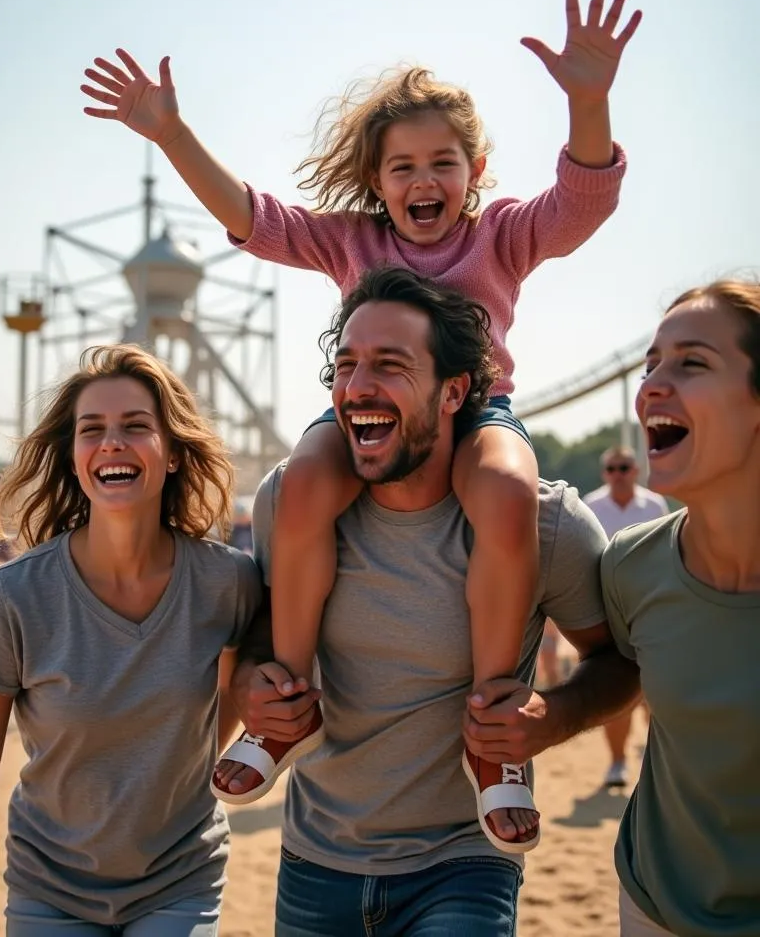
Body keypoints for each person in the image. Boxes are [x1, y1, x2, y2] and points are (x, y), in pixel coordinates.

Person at [82, 0, 641, 841]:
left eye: (442, 164)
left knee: (504, 494)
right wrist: (171, 131)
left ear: (475, 173)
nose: (424, 181)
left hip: (478, 413)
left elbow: (582, 205)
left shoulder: (500, 235)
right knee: (299, 486)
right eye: (403, 167)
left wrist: (590, 103)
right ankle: (285, 706)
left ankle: (496, 737)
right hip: (368, 417)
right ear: (377, 183)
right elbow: (252, 217)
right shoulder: (355, 241)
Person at [211, 268, 641, 935]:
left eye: (389, 365)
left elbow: (618, 663)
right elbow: (259, 641)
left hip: (466, 861)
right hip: (314, 857)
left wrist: (549, 719)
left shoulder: (545, 522)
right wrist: (253, 687)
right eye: (346, 365)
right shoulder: (290, 500)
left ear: (453, 391)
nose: (357, 387)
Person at [0, 345, 262, 937]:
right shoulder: (14, 598)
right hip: (51, 888)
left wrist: (196, 761)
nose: (112, 442)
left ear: (172, 454)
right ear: (74, 459)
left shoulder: (228, 583)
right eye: (91, 429)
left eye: (136, 426)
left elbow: (248, 678)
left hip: (180, 877)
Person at [601, 280, 760, 936]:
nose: (651, 387)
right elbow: (611, 675)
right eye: (650, 364)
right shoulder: (628, 565)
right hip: (652, 907)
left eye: (691, 363)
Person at [582, 446, 669, 789]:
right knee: (614, 690)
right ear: (605, 473)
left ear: (636, 471)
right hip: (606, 609)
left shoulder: (655, 505)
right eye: (613, 468)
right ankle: (617, 762)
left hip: (652, 606)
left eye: (625, 467)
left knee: (657, 691)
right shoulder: (590, 505)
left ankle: (655, 761)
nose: (619, 474)